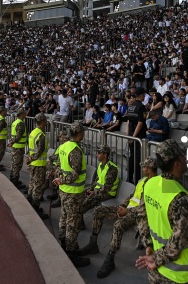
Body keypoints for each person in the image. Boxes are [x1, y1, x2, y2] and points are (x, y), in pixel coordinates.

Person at [83, 156, 157, 278]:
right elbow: (132, 196)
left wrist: (126, 211)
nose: (142, 168)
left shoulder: (154, 185)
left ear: (150, 169)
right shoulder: (142, 181)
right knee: (99, 211)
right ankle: (93, 243)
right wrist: (123, 206)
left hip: (139, 214)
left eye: (144, 166)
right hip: (128, 210)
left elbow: (146, 208)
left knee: (118, 225)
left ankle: (110, 257)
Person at [136, 139, 188, 284]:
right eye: (182, 156)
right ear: (177, 163)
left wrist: (149, 245)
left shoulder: (150, 183)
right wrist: (156, 259)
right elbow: (176, 245)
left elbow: (141, 217)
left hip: (154, 271)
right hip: (176, 276)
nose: (185, 159)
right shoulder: (181, 199)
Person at [53, 122, 91, 268]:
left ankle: (63, 242)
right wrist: (62, 179)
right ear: (79, 134)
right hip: (73, 192)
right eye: (83, 132)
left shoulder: (63, 146)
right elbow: (75, 174)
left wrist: (59, 178)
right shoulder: (75, 150)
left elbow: (58, 165)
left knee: (64, 216)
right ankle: (71, 252)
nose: (84, 134)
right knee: (72, 222)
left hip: (64, 190)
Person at [81, 145, 120, 217]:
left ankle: (78, 222)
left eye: (99, 153)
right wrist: (91, 188)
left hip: (108, 193)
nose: (97, 155)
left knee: (86, 202)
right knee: (80, 196)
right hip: (98, 190)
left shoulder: (112, 168)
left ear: (105, 155)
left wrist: (94, 192)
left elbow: (107, 187)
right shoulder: (100, 165)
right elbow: (97, 180)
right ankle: (79, 222)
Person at [26, 113, 49, 220]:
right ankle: (35, 206)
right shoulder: (41, 135)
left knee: (32, 183)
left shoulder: (33, 132)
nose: (46, 122)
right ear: (42, 122)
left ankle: (30, 200)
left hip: (33, 164)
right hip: (39, 164)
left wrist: (29, 158)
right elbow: (39, 151)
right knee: (38, 186)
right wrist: (32, 158)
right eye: (45, 120)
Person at [126, 87, 147, 184]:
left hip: (131, 135)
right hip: (138, 136)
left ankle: (129, 178)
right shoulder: (141, 107)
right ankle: (137, 180)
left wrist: (128, 135)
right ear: (141, 95)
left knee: (131, 157)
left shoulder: (130, 106)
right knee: (137, 158)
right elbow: (140, 123)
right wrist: (134, 137)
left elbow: (128, 122)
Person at [8, 109, 28, 189]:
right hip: (18, 147)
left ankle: (12, 178)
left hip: (15, 146)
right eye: (24, 113)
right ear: (21, 115)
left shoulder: (15, 122)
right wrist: (12, 142)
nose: (25, 115)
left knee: (14, 163)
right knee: (17, 164)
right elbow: (18, 136)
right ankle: (15, 181)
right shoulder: (20, 123)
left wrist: (11, 142)